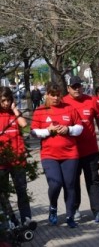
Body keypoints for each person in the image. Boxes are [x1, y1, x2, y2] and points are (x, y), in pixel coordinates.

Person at [30, 83, 83, 228]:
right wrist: (48, 130)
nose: (55, 97)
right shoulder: (40, 111)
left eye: (58, 94)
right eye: (52, 94)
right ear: (46, 94)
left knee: (70, 185)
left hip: (70, 154)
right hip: (49, 155)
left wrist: (68, 129)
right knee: (55, 183)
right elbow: (33, 132)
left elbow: (80, 128)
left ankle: (70, 215)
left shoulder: (69, 108)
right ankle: (53, 207)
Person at [63, 77, 99, 223]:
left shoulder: (91, 101)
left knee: (94, 180)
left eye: (79, 86)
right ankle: (74, 209)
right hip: (70, 152)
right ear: (68, 88)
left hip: (90, 150)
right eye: (74, 86)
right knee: (72, 181)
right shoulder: (63, 102)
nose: (77, 89)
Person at [0, 87, 36, 229]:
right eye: (3, 100)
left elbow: (24, 124)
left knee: (21, 191)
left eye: (9, 100)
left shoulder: (15, 113)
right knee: (3, 194)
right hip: (2, 162)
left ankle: (26, 218)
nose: (6, 103)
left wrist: (15, 110)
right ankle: (11, 219)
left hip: (18, 160)